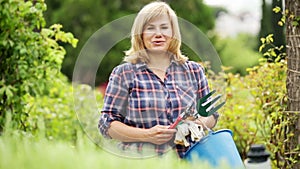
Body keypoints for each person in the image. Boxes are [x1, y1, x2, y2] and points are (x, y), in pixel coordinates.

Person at [98, 1, 219, 158]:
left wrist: (198, 124)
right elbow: (107, 124)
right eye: (150, 28)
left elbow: (211, 115)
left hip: (189, 160)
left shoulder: (194, 71)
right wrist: (146, 135)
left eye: (164, 28)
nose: (158, 34)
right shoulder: (124, 74)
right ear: (140, 34)